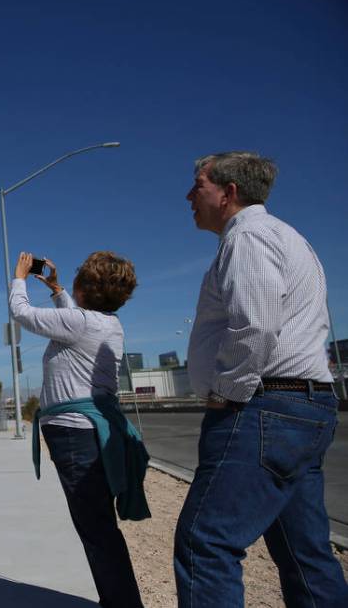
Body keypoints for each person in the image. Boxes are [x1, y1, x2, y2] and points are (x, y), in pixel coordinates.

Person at [175, 151, 348, 607]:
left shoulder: (249, 237)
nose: (189, 195)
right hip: (301, 410)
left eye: (199, 185)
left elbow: (255, 324)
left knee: (205, 543)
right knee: (304, 553)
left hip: (261, 408)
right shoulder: (289, 238)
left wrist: (225, 393)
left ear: (229, 193)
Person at [11, 250, 147, 608]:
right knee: (98, 524)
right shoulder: (107, 322)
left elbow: (21, 313)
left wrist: (20, 277)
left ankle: (121, 603)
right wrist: (57, 290)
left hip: (75, 435)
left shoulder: (80, 323)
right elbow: (75, 318)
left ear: (86, 287)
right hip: (86, 431)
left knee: (95, 527)